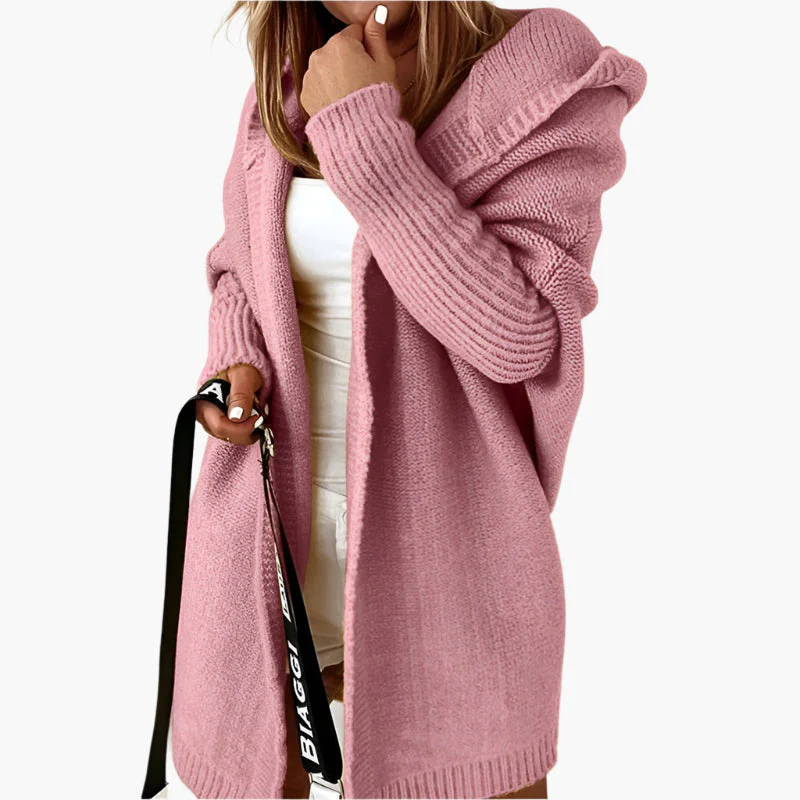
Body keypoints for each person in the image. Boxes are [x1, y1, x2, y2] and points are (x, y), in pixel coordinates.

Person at [178, 2, 647, 798]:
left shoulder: (543, 72)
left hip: (450, 579)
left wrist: (364, 133)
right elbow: (239, 269)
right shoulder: (287, 83)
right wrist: (234, 362)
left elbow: (519, 339)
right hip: (266, 555)